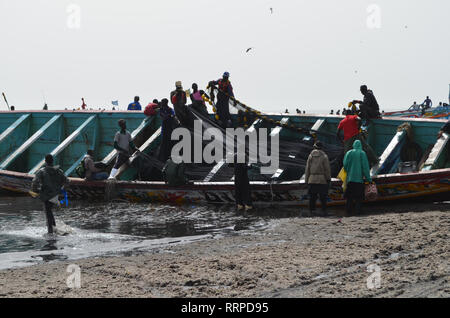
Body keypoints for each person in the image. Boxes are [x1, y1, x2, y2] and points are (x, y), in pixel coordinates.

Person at [31, 154, 69, 234]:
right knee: (49, 211)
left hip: (46, 194)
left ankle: (50, 232)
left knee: (48, 212)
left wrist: (35, 191)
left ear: (45, 161)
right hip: (56, 194)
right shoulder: (59, 171)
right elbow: (67, 181)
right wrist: (62, 191)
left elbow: (34, 182)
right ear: (52, 161)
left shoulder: (42, 171)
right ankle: (54, 229)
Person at [343, 140, 372, 216]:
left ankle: (348, 211)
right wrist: (369, 179)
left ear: (353, 145)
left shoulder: (349, 153)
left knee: (349, 197)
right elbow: (365, 168)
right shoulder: (362, 153)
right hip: (359, 180)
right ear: (360, 145)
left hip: (350, 179)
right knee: (359, 197)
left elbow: (345, 166)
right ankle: (358, 211)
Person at [305, 141, 331, 216]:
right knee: (323, 197)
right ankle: (324, 211)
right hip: (322, 180)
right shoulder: (324, 156)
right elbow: (327, 169)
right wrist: (328, 179)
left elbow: (307, 169)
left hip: (312, 179)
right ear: (322, 147)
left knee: (312, 197)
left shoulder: (310, 156)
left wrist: (306, 180)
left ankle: (311, 211)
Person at [158, 98, 177, 162]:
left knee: (169, 143)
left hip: (170, 128)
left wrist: (168, 116)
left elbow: (173, 115)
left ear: (166, 103)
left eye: (162, 102)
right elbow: (163, 116)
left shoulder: (170, 109)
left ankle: (169, 157)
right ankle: (163, 158)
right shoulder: (161, 109)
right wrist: (168, 116)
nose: (162, 103)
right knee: (164, 143)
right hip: (164, 129)